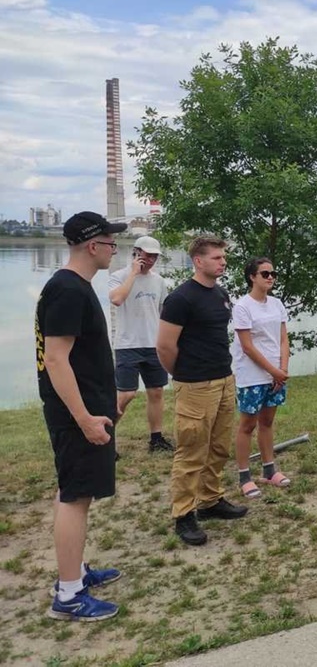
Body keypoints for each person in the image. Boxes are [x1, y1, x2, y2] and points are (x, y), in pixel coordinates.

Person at [37, 211, 127, 621]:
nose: (114, 249)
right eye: (111, 243)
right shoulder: (68, 290)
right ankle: (69, 595)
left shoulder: (73, 286)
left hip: (88, 408)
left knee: (74, 492)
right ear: (93, 246)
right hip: (78, 415)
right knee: (75, 497)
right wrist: (85, 418)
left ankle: (74, 571)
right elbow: (56, 359)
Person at [158, 236, 247, 547]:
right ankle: (184, 514)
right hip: (195, 384)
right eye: (217, 258)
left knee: (219, 446)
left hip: (224, 378)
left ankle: (210, 500)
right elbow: (165, 346)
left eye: (223, 257)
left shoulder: (220, 293)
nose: (223, 262)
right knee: (192, 450)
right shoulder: (181, 299)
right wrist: (183, 375)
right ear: (198, 261)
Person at [232, 257, 291, 499]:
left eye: (273, 274)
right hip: (252, 375)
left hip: (276, 374)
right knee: (247, 425)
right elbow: (247, 346)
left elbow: (283, 339)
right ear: (252, 277)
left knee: (267, 422)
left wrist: (282, 369)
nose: (270, 278)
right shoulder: (242, 307)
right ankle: (244, 477)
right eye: (265, 274)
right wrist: (272, 371)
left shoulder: (277, 304)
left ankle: (269, 470)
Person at [108, 235, 172, 453]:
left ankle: (156, 438)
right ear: (136, 253)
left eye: (155, 256)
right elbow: (117, 299)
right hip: (127, 344)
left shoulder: (159, 281)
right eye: (147, 255)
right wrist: (134, 274)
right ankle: (105, 438)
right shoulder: (119, 276)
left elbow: (164, 312)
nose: (151, 260)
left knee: (156, 391)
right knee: (126, 394)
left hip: (153, 343)